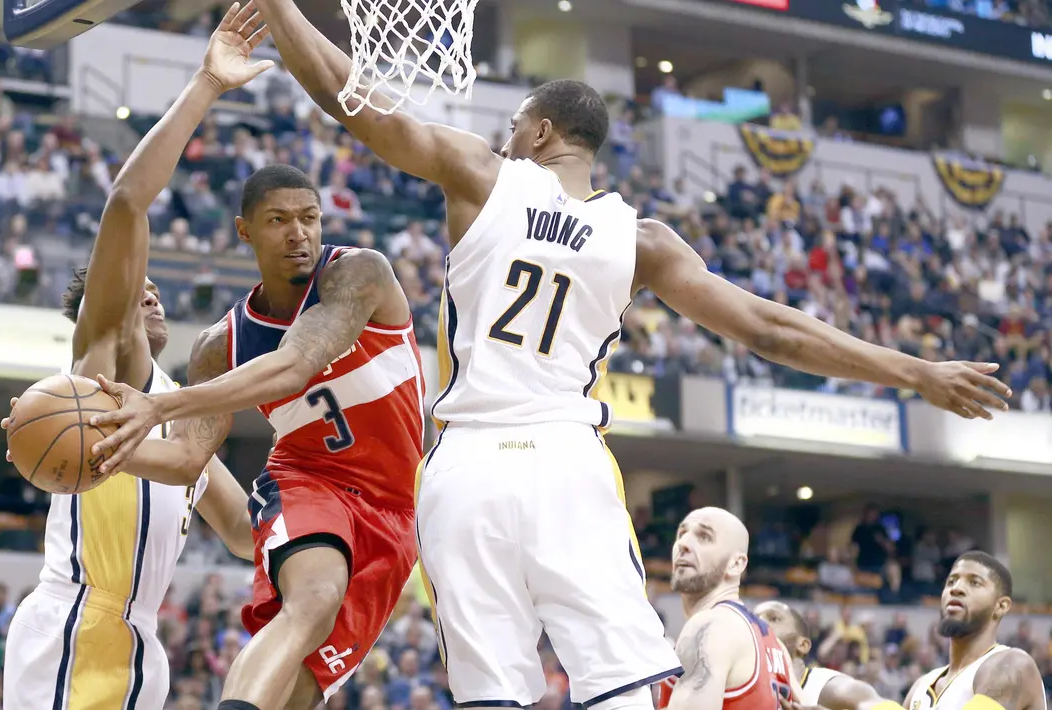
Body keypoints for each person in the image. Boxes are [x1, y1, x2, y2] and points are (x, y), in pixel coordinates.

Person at [218, 1, 1009, 709]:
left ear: (537, 132)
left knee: (490, 695)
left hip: (462, 471)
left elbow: (354, 102)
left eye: (513, 126)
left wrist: (282, 9)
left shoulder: (480, 177)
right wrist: (915, 372)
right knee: (623, 689)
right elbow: (773, 331)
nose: (504, 137)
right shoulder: (641, 242)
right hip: (566, 461)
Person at [0, 5, 270, 708]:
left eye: (155, 293)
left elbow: (243, 533)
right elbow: (127, 202)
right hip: (76, 621)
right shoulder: (101, 374)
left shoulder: (176, 417)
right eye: (134, 292)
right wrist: (206, 86)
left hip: (141, 644)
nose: (148, 297)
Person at [90, 160, 424, 708]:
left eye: (310, 217)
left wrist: (158, 405)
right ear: (245, 231)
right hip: (311, 481)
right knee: (314, 599)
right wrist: (103, 448)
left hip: (400, 507)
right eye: (279, 220)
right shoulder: (219, 346)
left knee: (304, 690)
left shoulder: (358, 272)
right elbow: (185, 461)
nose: (299, 233)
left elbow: (295, 363)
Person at [657, 507, 795, 709]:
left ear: (736, 564)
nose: (683, 544)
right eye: (681, 534)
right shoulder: (775, 644)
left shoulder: (710, 626)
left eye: (704, 537)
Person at [904, 552, 1044, 710]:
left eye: (974, 583)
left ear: (1001, 606)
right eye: (951, 582)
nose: (956, 589)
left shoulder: (1013, 665)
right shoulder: (921, 686)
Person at [754, 600, 892, 710]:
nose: (758, 622)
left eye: (774, 618)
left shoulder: (831, 687)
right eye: (753, 618)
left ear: (802, 645)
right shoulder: (740, 688)